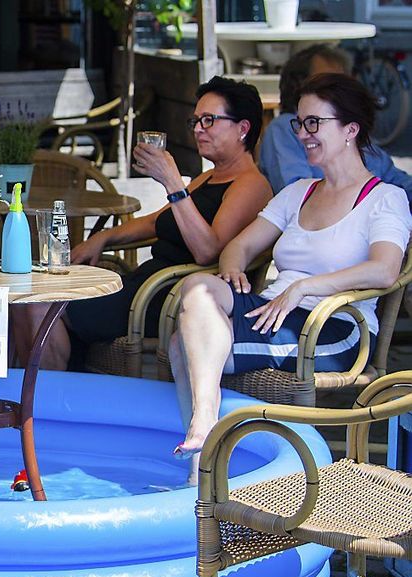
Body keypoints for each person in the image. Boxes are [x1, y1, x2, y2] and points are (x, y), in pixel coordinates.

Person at [169, 73, 412, 467]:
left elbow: (384, 271)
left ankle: (204, 451)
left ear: (351, 129)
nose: (302, 133)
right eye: (299, 122)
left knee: (183, 346)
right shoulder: (299, 190)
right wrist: (233, 271)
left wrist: (304, 288)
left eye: (314, 123)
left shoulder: (385, 199)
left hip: (331, 326)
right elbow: (239, 246)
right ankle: (207, 441)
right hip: (273, 310)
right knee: (198, 286)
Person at [11, 76, 274, 370]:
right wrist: (105, 237)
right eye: (196, 121)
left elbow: (208, 251)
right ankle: (37, 397)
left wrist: (173, 182)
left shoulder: (250, 184)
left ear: (243, 128)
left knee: (37, 304)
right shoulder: (209, 177)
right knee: (27, 296)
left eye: (209, 120)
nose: (199, 129)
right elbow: (155, 222)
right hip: (144, 284)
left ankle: (46, 401)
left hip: (168, 298)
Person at [259, 44, 412, 205]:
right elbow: (296, 198)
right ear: (302, 85)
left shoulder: (348, 128)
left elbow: (399, 181)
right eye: (330, 83)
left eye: (345, 79)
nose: (343, 89)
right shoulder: (285, 129)